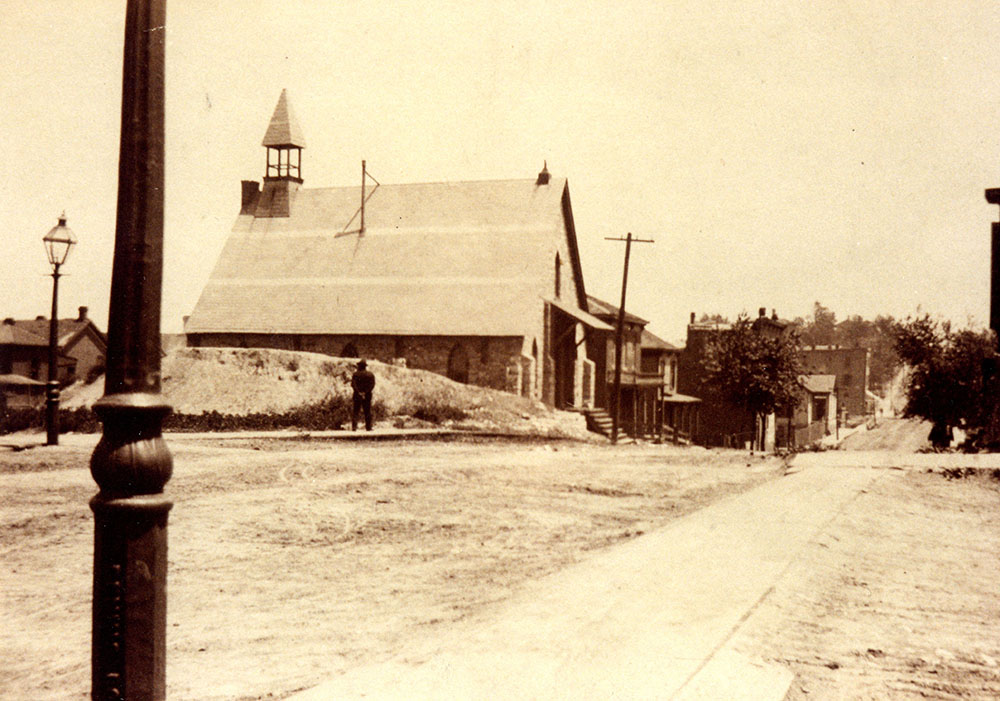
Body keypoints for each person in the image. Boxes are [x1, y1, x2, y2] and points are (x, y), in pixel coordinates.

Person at [350, 359, 376, 431]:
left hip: (357, 395)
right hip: (367, 395)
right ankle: (368, 427)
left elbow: (353, 384)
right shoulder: (370, 374)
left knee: (356, 411)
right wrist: (365, 392)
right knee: (367, 411)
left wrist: (359, 392)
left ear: (359, 366)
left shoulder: (355, 374)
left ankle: (354, 427)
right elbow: (372, 385)